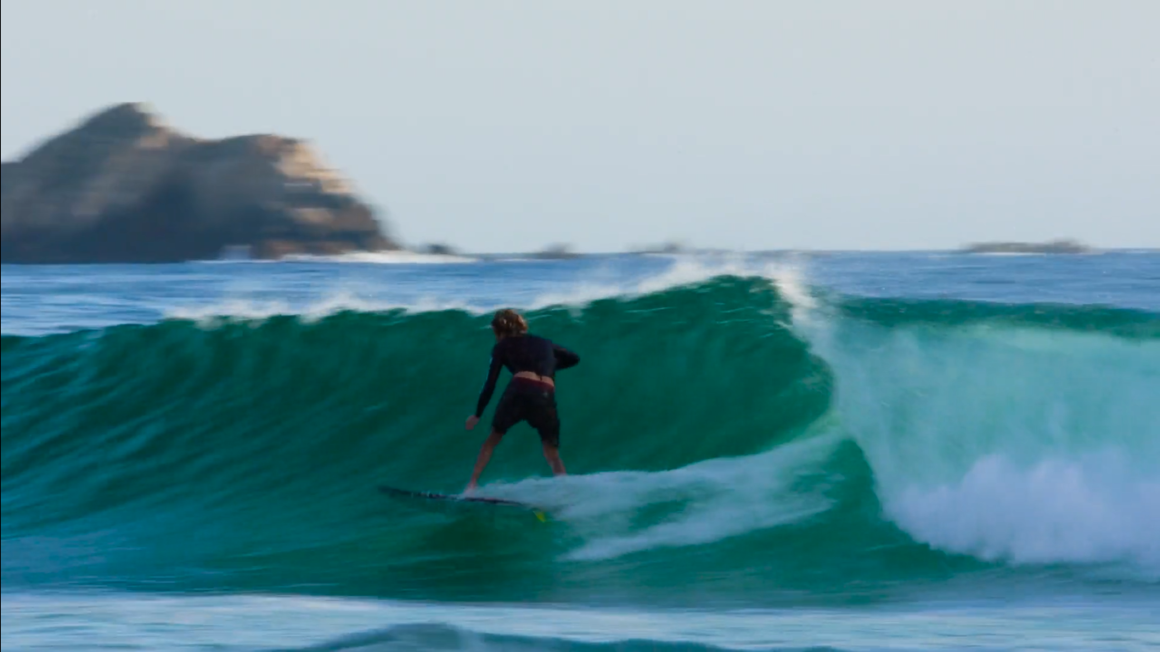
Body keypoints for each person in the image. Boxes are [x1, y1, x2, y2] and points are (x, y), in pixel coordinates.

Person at [464, 308, 579, 493]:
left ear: (499, 330)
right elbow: (574, 358)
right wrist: (548, 366)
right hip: (546, 392)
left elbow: (490, 382)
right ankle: (565, 491)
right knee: (551, 451)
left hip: (521, 389)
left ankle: (471, 486)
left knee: (492, 440)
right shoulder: (545, 342)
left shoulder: (503, 345)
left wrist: (477, 414)